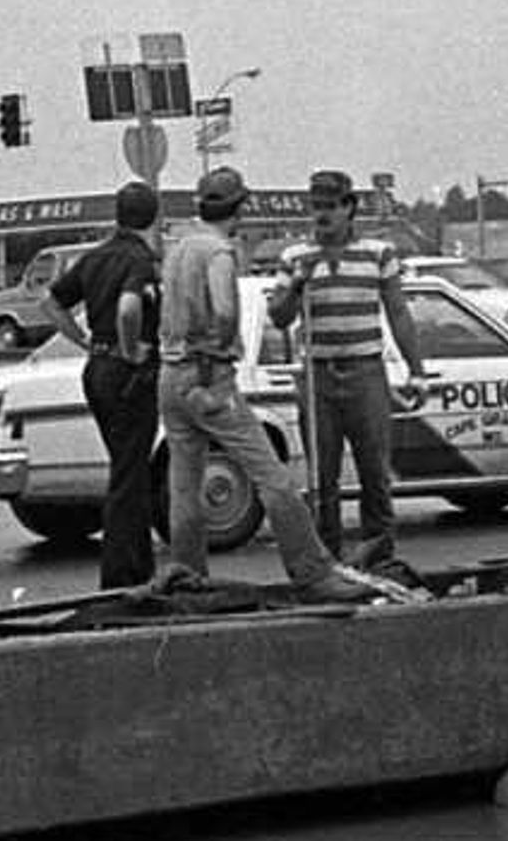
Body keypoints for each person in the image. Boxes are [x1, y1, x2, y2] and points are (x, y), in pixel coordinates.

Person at [154, 166, 377, 602]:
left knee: (184, 483)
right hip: (208, 375)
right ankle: (313, 572)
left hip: (170, 377)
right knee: (272, 477)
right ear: (237, 208)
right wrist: (218, 342)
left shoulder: (179, 246)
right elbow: (221, 308)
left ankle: (187, 574)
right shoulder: (218, 251)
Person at [263, 167, 420, 558]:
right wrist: (297, 284)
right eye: (317, 207)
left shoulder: (377, 254)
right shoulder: (295, 257)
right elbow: (278, 317)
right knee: (322, 478)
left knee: (375, 473)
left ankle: (379, 556)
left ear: (349, 208)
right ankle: (327, 561)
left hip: (366, 371)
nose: (323, 215)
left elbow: (398, 312)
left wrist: (416, 370)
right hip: (318, 377)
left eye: (331, 206)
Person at [44, 180, 164, 590]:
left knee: (127, 467)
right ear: (153, 217)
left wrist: (81, 339)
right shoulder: (140, 259)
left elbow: (52, 302)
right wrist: (131, 350)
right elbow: (131, 307)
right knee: (130, 474)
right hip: (128, 371)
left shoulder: (95, 257)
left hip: (96, 367)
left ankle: (138, 563)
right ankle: (121, 575)